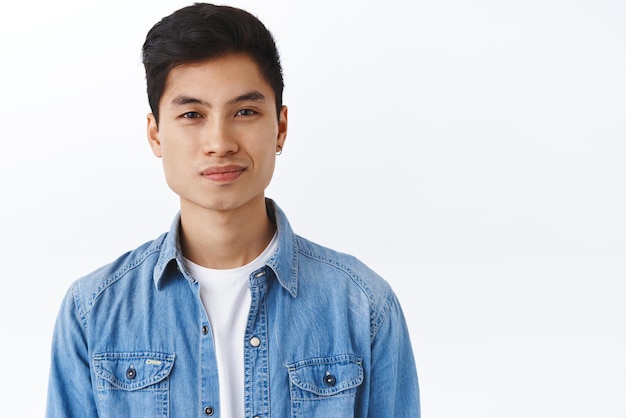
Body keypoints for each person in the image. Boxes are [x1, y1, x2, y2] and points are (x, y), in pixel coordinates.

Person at [45, 3, 420, 417]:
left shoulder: (362, 306)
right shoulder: (94, 311)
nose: (219, 142)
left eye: (244, 112)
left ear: (280, 127)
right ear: (155, 134)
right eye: (192, 114)